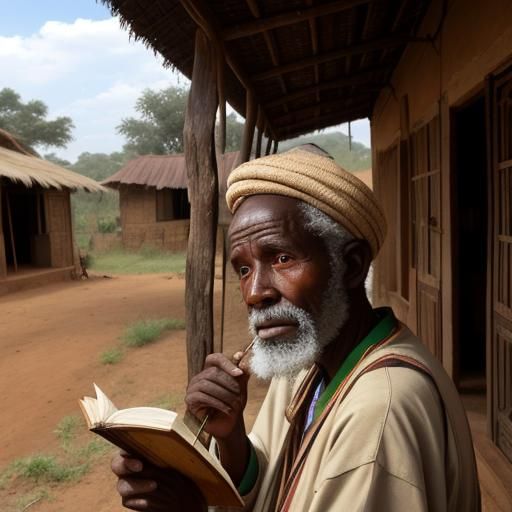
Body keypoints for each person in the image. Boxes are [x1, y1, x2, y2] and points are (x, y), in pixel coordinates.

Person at [111, 146, 481, 511]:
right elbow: (279, 479)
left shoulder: (381, 409)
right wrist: (232, 437)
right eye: (243, 269)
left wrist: (194, 507)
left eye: (282, 258)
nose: (255, 293)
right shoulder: (309, 361)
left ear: (350, 265)